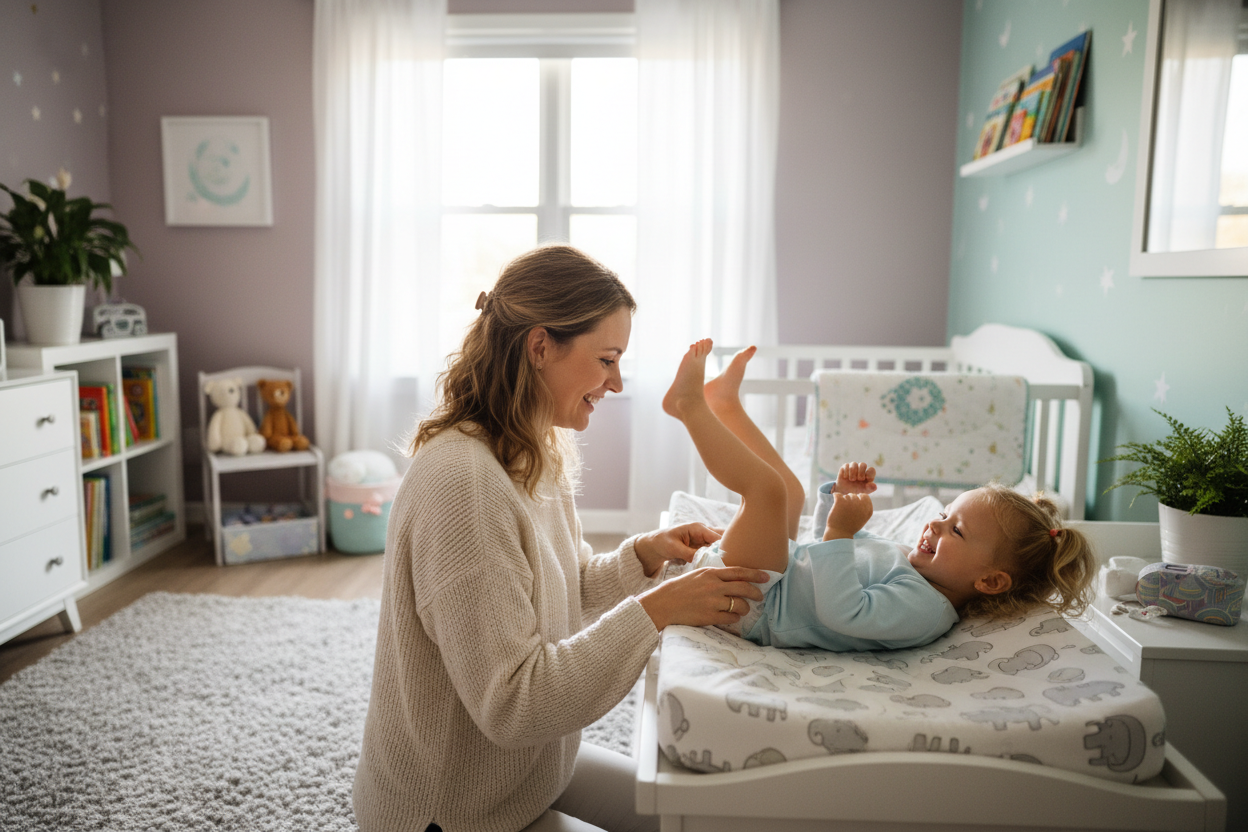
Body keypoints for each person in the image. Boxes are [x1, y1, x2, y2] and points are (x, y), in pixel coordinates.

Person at [352, 245, 771, 832]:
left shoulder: (531, 447)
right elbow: (514, 703)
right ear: (541, 346)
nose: (618, 382)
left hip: (520, 776)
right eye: (606, 359)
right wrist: (654, 613)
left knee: (698, 816)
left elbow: (563, 583)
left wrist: (645, 556)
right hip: (453, 812)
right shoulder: (464, 485)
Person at [661, 338, 1096, 652]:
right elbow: (823, 549)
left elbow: (842, 611)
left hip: (755, 604)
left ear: (990, 581)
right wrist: (840, 503)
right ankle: (725, 406)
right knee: (790, 491)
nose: (934, 524)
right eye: (945, 514)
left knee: (767, 492)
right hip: (781, 571)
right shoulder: (913, 562)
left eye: (956, 531)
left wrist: (840, 532)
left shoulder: (925, 610)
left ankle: (689, 406)